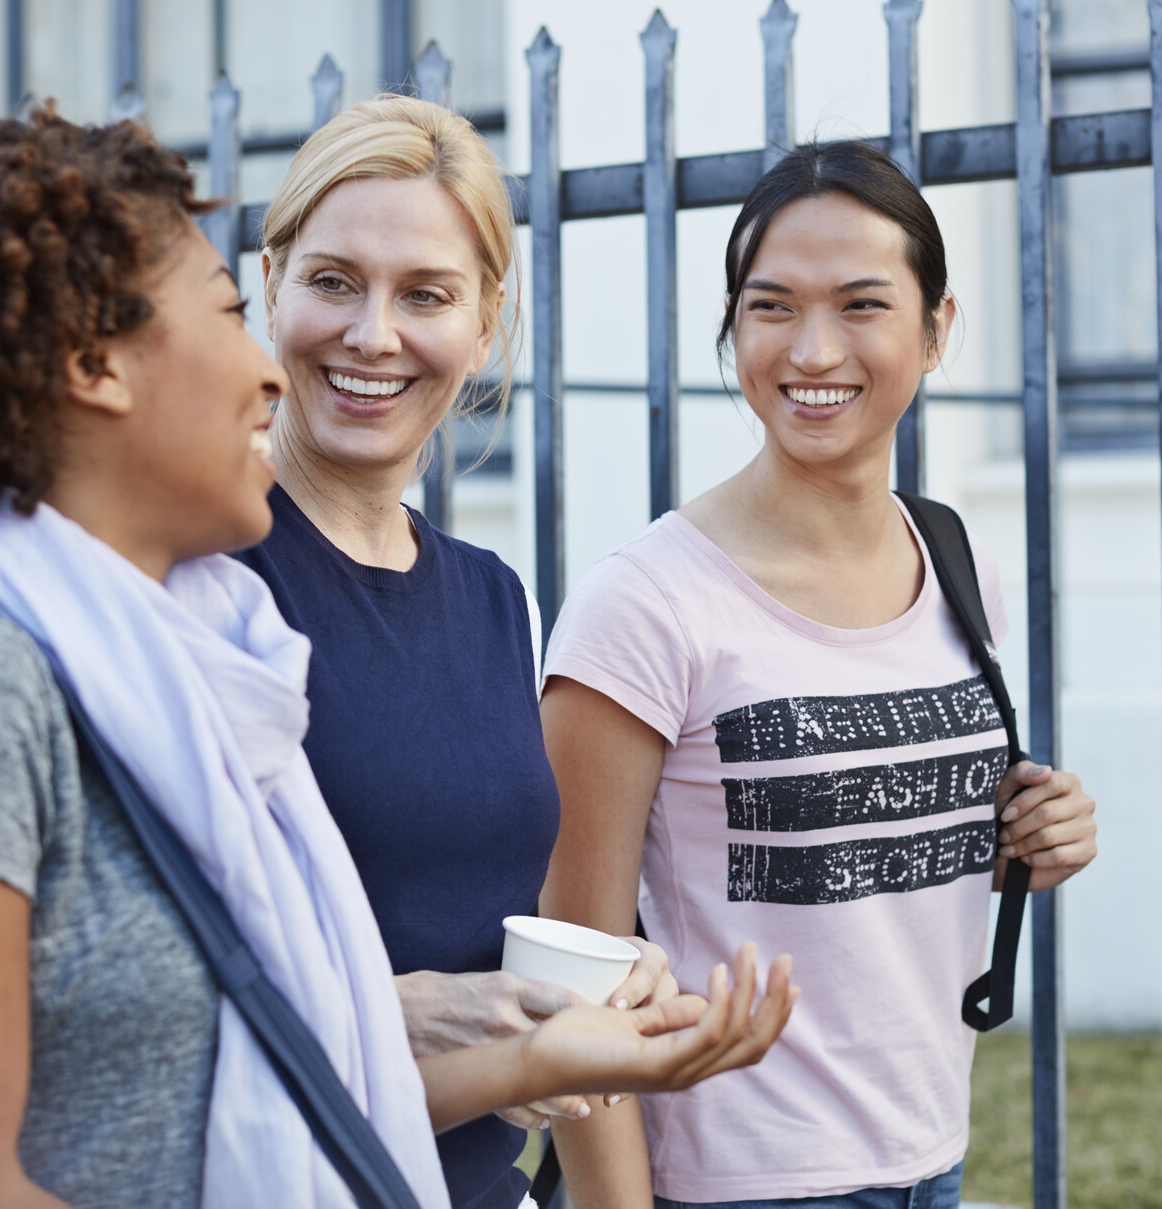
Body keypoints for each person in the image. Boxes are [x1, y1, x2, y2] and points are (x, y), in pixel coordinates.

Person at [0, 109, 800, 1209]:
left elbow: (257, 1076)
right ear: (94, 364)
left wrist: (543, 1059)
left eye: (424, 293)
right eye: (234, 312)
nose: (271, 372)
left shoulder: (197, 635)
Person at [231, 94, 787, 1209]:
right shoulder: (210, 575)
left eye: (425, 294)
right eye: (334, 280)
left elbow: (483, 924)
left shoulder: (491, 598)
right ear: (272, 283)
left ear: (484, 325)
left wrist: (592, 994)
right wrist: (451, 1023)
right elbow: (168, 998)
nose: (373, 334)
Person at [537, 142, 1100, 1209]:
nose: (814, 348)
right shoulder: (645, 605)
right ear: (732, 329)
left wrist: (1031, 835)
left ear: (936, 330)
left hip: (931, 1152)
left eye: (862, 304)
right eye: (772, 306)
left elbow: (841, 856)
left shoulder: (951, 559)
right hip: (733, 1178)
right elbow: (578, 964)